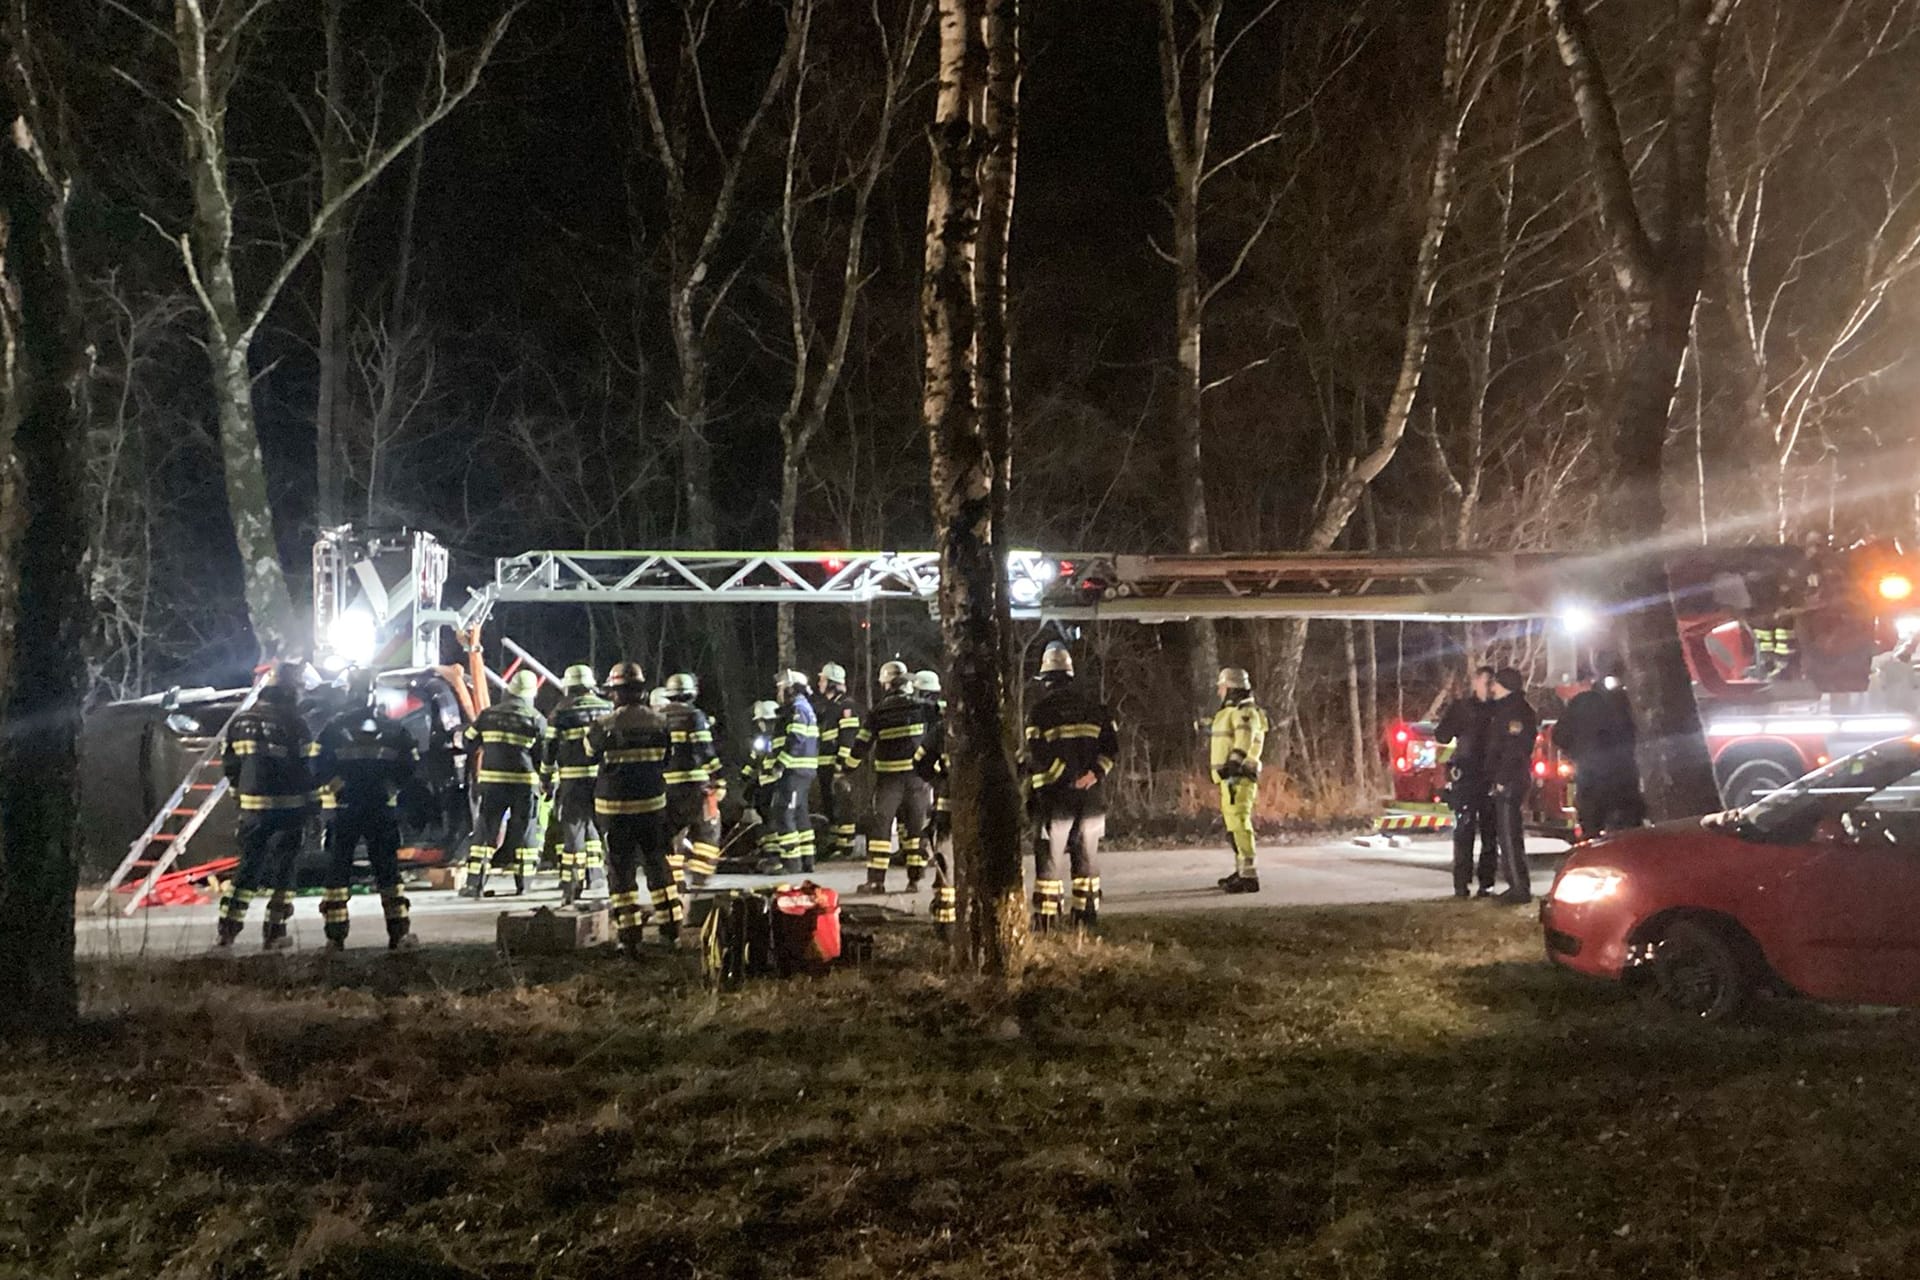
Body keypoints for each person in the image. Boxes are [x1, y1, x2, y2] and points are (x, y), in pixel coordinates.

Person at [311, 669, 420, 950]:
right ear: (374, 694)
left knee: (338, 871)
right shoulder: (394, 729)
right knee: (387, 870)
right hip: (380, 809)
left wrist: (338, 788)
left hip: (345, 808)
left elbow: (315, 765)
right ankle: (398, 932)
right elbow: (411, 766)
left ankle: (335, 936)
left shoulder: (334, 729)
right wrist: (391, 789)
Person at [214, 662, 315, 951]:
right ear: (289, 690)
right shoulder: (295, 723)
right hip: (289, 810)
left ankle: (227, 932)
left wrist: (240, 798)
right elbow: (307, 768)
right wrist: (312, 806)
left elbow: (230, 766)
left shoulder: (240, 722)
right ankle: (274, 933)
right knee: (284, 874)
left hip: (252, 811)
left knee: (247, 870)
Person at [586, 661, 681, 953]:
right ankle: (670, 933)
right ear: (641, 691)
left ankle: (629, 939)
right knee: (658, 867)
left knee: (621, 873)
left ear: (615, 692)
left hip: (614, 813)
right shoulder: (660, 722)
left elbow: (589, 754)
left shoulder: (602, 725)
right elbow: (667, 759)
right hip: (652, 809)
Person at [1025, 643, 1119, 930]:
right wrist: (1093, 775)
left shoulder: (1040, 712)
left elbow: (1035, 752)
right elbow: (1112, 749)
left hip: (1055, 799)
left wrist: (1064, 778)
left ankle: (1047, 919)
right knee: (1086, 857)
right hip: (1090, 797)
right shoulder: (1097, 710)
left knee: (1050, 858)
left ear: (1047, 680)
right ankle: (1085, 916)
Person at [844, 660, 933, 894]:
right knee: (915, 831)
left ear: (886, 685)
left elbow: (861, 745)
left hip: (889, 781)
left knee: (881, 830)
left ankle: (876, 882)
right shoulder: (923, 707)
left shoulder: (879, 712)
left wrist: (845, 770)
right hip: (917, 780)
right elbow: (941, 731)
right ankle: (915, 881)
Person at [460, 669, 547, 898]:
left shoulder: (487, 715)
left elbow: (467, 741)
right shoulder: (536, 719)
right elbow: (545, 757)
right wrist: (548, 781)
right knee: (525, 832)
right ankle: (524, 885)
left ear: (509, 690)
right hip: (524, 785)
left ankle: (474, 885)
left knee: (485, 831)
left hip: (492, 784)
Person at [545, 664, 614, 905]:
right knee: (601, 827)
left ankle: (571, 883)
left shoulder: (560, 713)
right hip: (603, 779)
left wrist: (546, 778)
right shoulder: (608, 708)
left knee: (573, 828)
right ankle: (600, 876)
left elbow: (550, 748)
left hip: (572, 779)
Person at [1554, 659, 1646, 839]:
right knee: (1627, 829)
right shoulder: (1621, 700)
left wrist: (1575, 752)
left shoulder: (1577, 706)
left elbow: (1559, 736)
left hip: (1591, 775)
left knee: (1592, 827)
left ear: (1579, 683)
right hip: (1624, 774)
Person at [1434, 666, 1499, 898]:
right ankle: (1461, 885)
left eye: (1492, 682)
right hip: (1467, 776)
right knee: (1464, 832)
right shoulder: (1462, 709)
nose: (1489, 687)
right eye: (1485, 682)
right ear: (1476, 683)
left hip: (1491, 777)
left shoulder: (1499, 709)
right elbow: (1442, 734)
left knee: (1491, 835)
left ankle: (1486, 884)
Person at [1209, 666, 1269, 895]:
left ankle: (1249, 876)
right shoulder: (1234, 712)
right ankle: (1241, 871)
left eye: (1222, 687)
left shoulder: (1244, 712)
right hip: (1230, 778)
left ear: (1231, 688)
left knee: (1240, 825)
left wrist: (1233, 765)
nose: (1219, 692)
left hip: (1238, 777)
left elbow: (1244, 739)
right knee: (1233, 826)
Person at [661, 671, 723, 889]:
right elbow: (705, 749)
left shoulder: (658, 717)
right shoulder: (694, 716)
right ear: (691, 694)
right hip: (696, 787)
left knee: (672, 834)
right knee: (709, 828)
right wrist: (718, 778)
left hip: (667, 788)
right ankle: (700, 875)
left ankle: (675, 879)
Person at [1485, 667, 1540, 904]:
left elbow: (1513, 751)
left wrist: (1501, 779)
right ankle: (1515, 884)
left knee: (1509, 835)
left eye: (1495, 684)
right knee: (1507, 835)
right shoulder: (1507, 710)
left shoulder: (1514, 713)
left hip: (1510, 780)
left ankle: (1518, 887)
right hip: (1508, 778)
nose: (1492, 688)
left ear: (1505, 685)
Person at [911, 669, 956, 929]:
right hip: (983, 811)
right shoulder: (990, 730)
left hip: (948, 806)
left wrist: (940, 781)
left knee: (946, 862)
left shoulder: (942, 728)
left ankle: (945, 923)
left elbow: (919, 760)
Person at [768, 670, 821, 874]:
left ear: (790, 688)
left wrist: (780, 764)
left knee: (783, 812)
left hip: (794, 769)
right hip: (802, 769)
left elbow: (795, 739)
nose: (778, 692)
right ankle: (807, 860)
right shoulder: (801, 708)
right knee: (800, 814)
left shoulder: (797, 709)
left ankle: (791, 863)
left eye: (780, 688)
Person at [812, 661, 864, 859]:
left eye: (823, 680)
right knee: (830, 804)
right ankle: (835, 842)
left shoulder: (846, 706)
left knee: (843, 803)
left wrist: (840, 766)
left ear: (832, 682)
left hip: (837, 766)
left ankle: (846, 844)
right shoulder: (829, 707)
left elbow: (848, 737)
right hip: (824, 766)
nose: (820, 683)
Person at [737, 699, 785, 863]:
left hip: (776, 782)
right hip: (765, 782)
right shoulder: (763, 740)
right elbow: (754, 760)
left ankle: (777, 850)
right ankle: (770, 849)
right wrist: (744, 776)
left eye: (762, 722)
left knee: (773, 816)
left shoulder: (780, 738)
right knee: (765, 814)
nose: (760, 725)